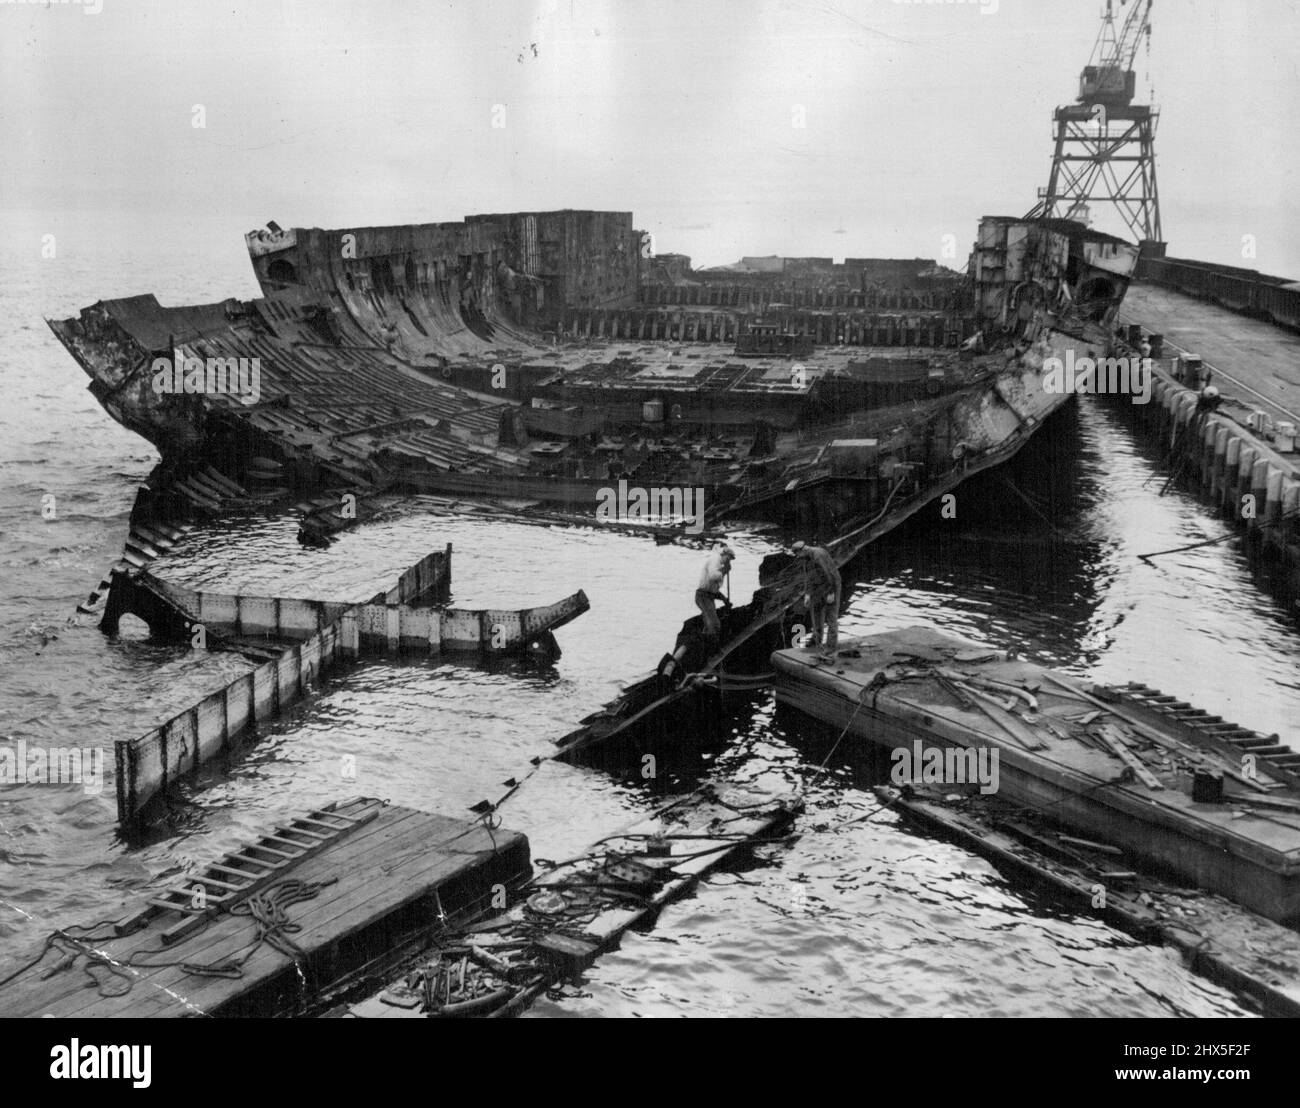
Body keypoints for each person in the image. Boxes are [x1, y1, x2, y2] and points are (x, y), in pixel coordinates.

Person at [792, 540, 841, 659]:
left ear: (803, 550)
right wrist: (807, 594)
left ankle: (830, 648)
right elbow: (808, 577)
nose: (798, 557)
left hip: (831, 585)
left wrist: (831, 593)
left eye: (798, 554)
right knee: (817, 613)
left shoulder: (818, 555)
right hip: (818, 587)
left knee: (831, 617)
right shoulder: (806, 558)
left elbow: (829, 574)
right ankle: (816, 640)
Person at [696, 544, 734, 642]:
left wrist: (725, 600)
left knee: (711, 623)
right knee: (714, 624)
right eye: (729, 559)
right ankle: (709, 645)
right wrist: (724, 571)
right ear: (725, 555)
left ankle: (707, 640)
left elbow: (714, 590)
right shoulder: (715, 560)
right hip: (703, 596)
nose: (729, 562)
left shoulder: (719, 564)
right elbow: (713, 576)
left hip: (708, 596)